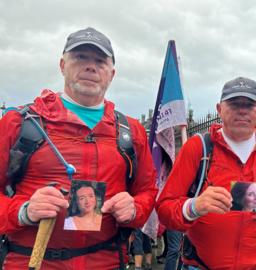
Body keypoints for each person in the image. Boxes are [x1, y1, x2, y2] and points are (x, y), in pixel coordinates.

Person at [0, 27, 158, 269]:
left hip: (106, 261)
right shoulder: (19, 122)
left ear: (111, 73)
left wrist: (135, 209)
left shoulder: (131, 131)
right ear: (63, 65)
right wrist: (23, 211)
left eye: (100, 61)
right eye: (80, 57)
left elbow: (147, 191)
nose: (90, 66)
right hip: (32, 262)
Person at [156, 77, 256, 269]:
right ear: (219, 109)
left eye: (249, 105)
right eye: (234, 104)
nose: (242, 110)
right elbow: (164, 208)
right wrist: (193, 207)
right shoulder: (199, 148)